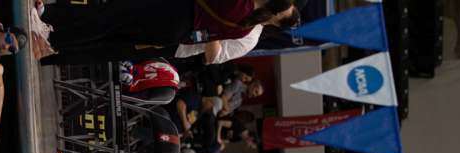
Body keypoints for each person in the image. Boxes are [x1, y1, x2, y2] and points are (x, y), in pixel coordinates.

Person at [39, 0, 298, 65]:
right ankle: (52, 33)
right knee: (109, 28)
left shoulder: (242, 8)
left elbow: (212, 55)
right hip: (178, 31)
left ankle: (52, 38)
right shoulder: (246, 30)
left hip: (175, 13)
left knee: (109, 19)